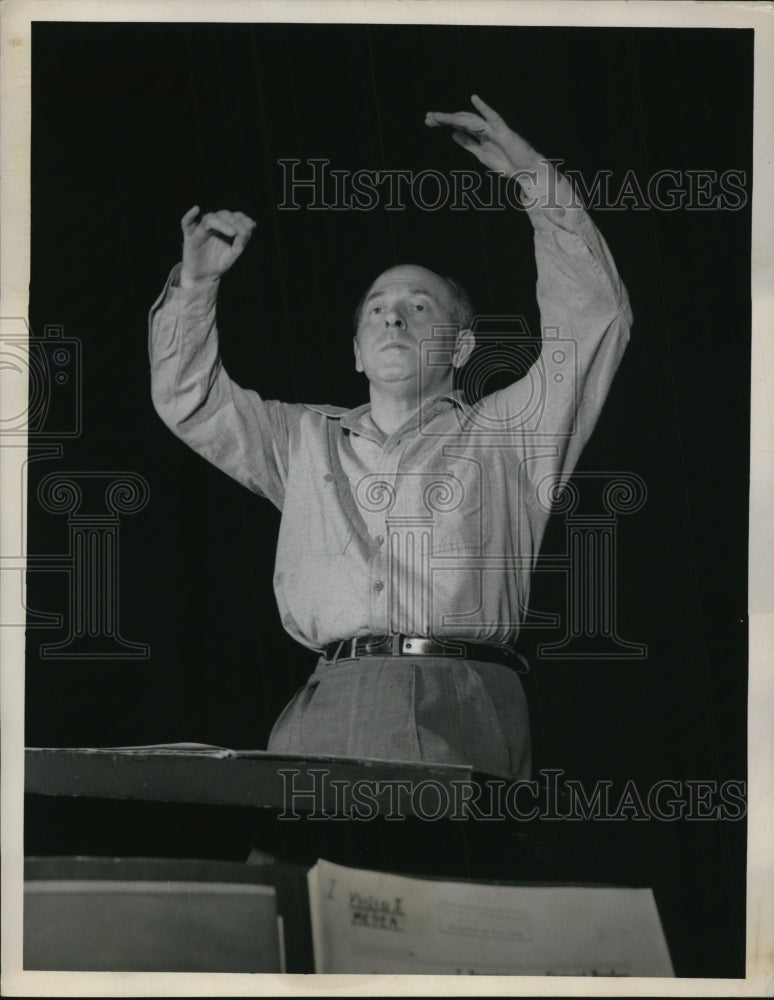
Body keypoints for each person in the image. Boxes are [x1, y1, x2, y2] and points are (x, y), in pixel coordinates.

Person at [149, 96, 632, 779]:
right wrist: (196, 287)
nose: (393, 319)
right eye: (377, 309)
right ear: (355, 352)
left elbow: (594, 319)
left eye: (417, 305)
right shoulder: (302, 440)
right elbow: (187, 399)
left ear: (462, 346)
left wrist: (534, 179)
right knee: (311, 883)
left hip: (461, 703)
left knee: (446, 884)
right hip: (327, 700)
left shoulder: (511, 437)